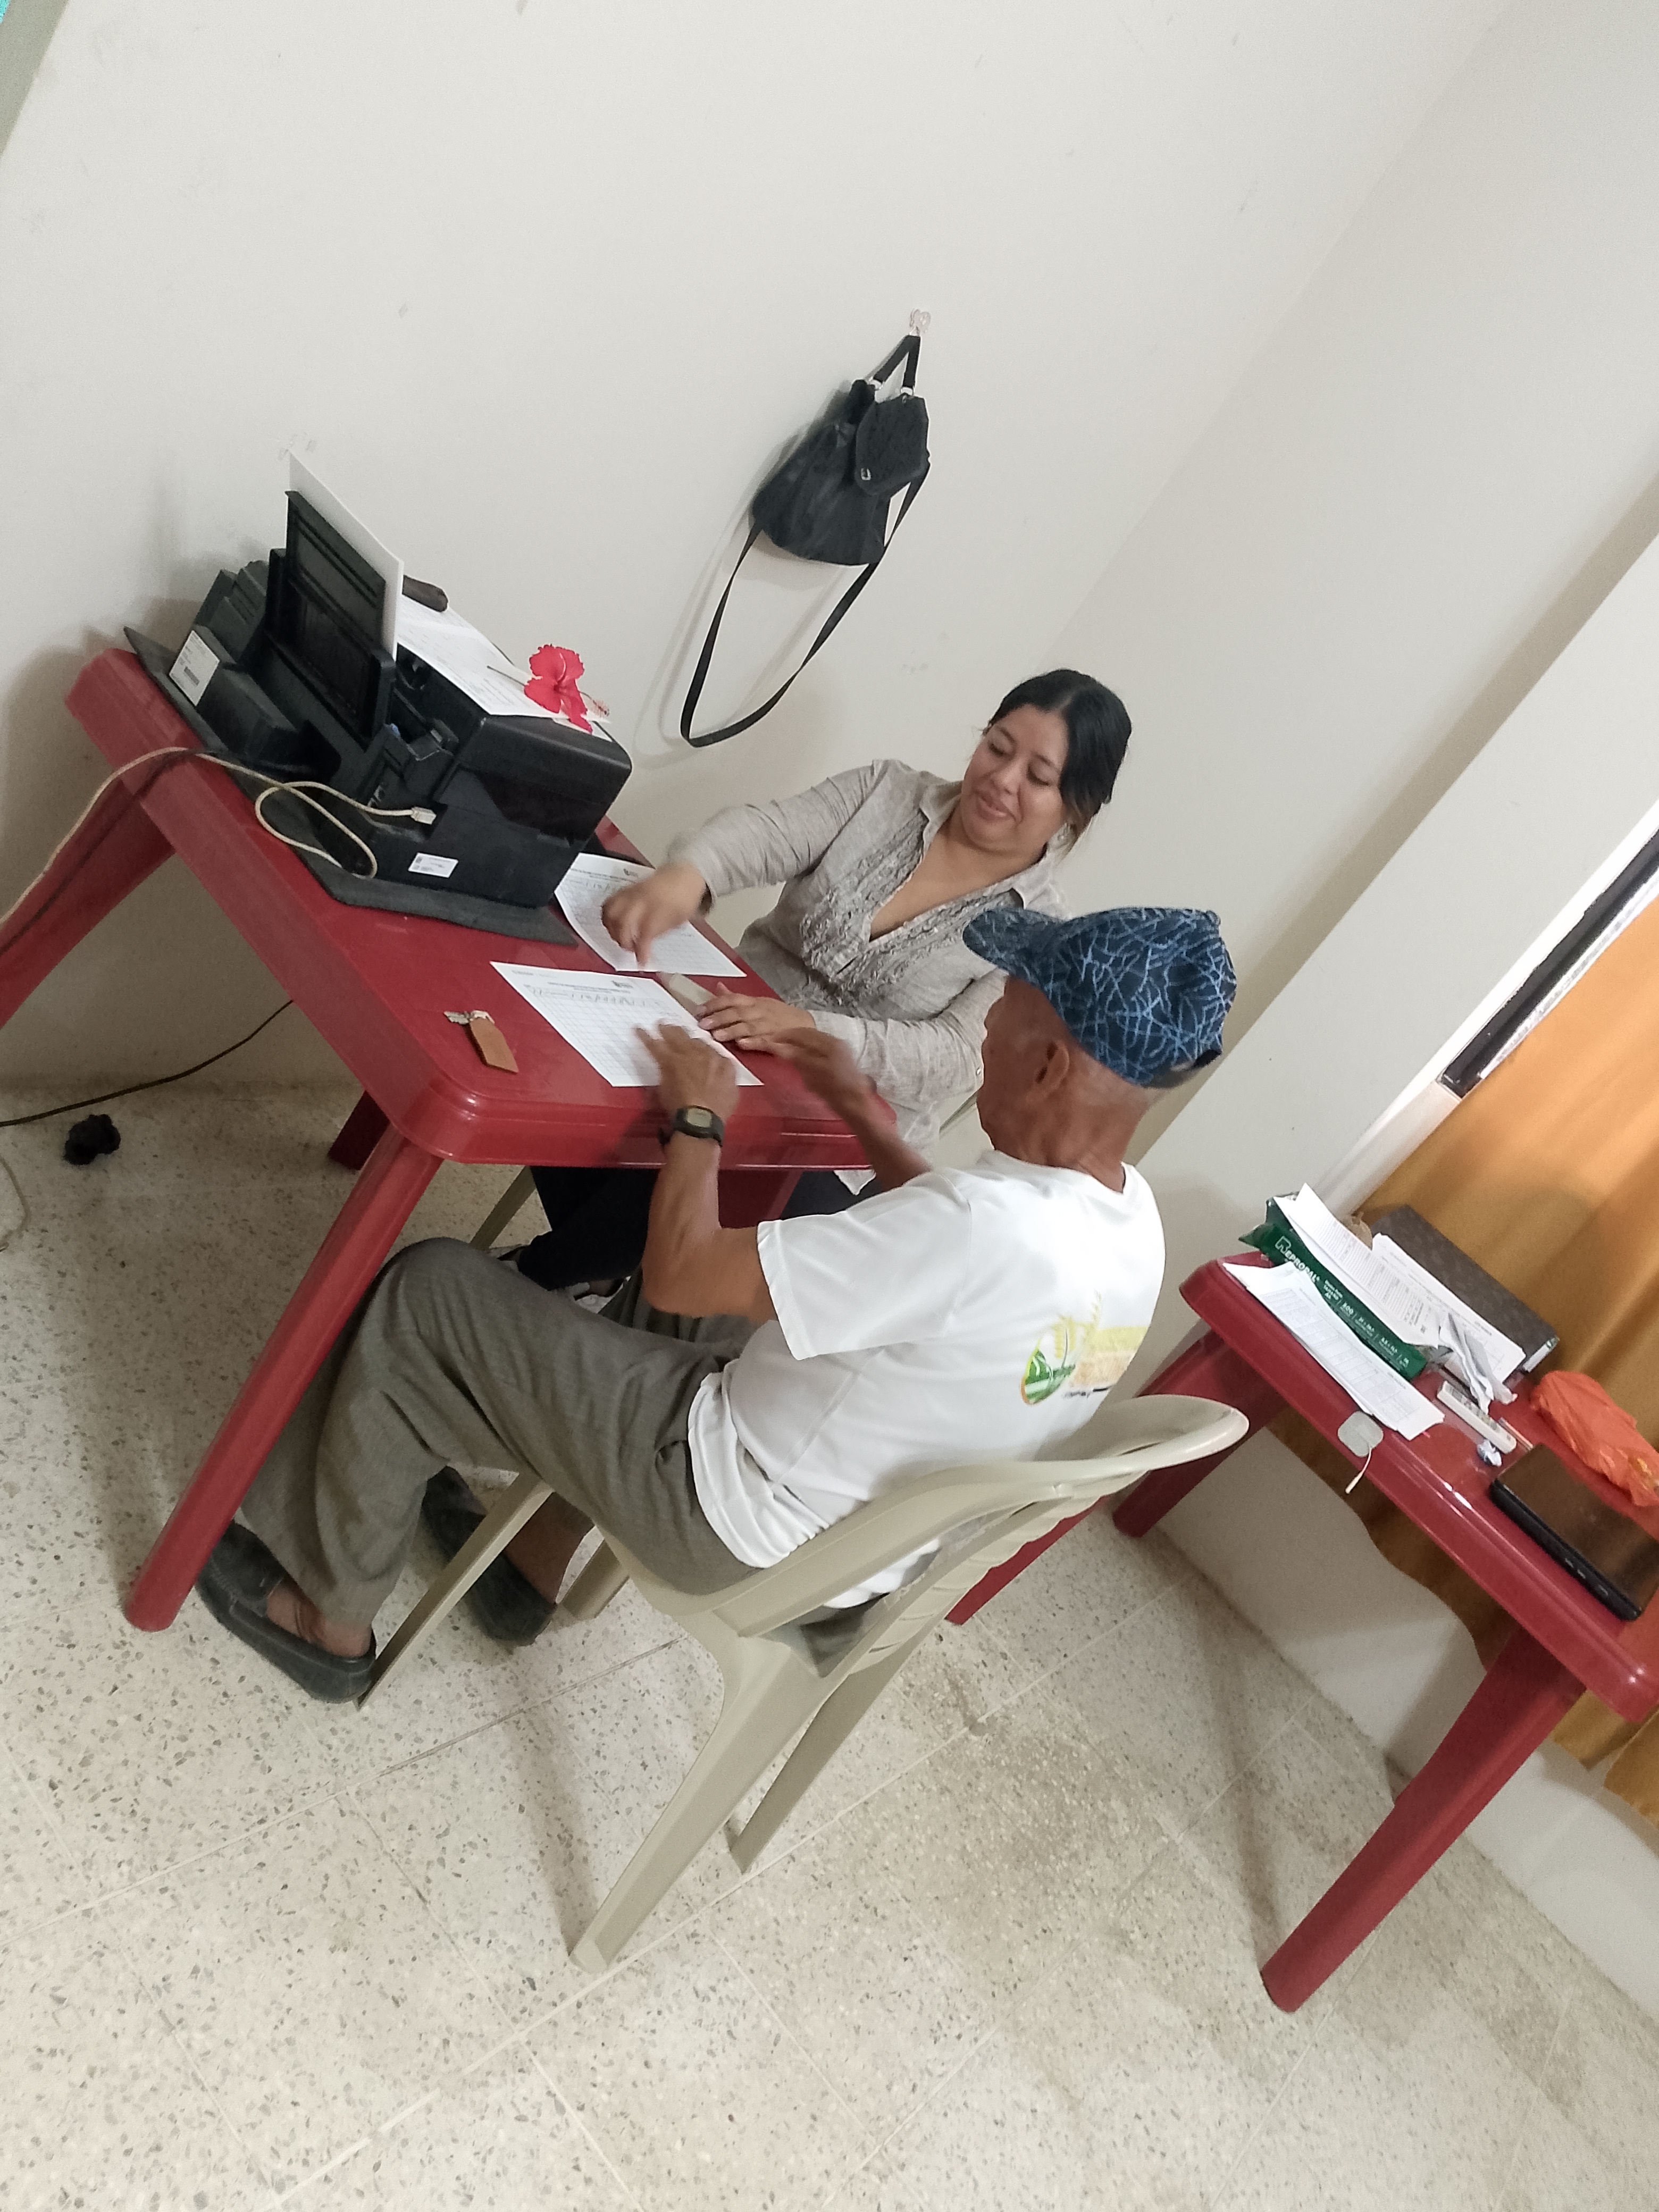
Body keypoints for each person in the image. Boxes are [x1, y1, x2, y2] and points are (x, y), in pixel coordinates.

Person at [196, 904, 1235, 1700]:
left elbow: (686, 1271)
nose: (987, 1036)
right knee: (711, 1307)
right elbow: (949, 1250)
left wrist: (697, 1118)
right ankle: (529, 1564)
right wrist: (848, 1100)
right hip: (845, 1555)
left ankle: (325, 1616)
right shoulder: (1127, 1226)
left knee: (430, 1292)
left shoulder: (980, 1226)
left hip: (723, 1508)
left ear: (1049, 1064)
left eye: (1005, 1015)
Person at [515, 667, 1132, 1292]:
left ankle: (541, 1277)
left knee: (676, 1164)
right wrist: (690, 874)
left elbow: (956, 1055)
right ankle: (583, 1272)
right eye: (998, 747)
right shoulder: (888, 791)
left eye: (1038, 777)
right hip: (721, 1022)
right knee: (555, 1073)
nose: (1002, 779)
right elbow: (765, 833)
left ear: (1075, 810)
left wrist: (811, 1029)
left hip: (838, 1130)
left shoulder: (1044, 933)